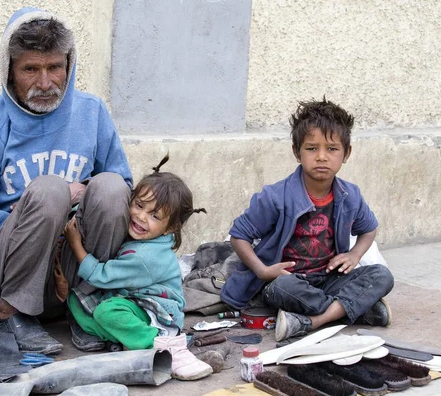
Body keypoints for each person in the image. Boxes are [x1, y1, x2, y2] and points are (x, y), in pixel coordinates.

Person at [0, 7, 132, 355]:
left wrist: (82, 203)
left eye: (54, 67)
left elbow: (124, 189)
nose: (45, 82)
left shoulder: (91, 112)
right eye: (30, 69)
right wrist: (48, 206)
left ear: (69, 65)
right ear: (9, 71)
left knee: (112, 187)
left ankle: (86, 309)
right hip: (4, 275)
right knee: (51, 189)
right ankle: (11, 315)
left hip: (71, 270)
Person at [220, 97, 394, 342]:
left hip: (329, 279)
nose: (322, 156)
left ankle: (313, 321)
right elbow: (239, 235)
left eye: (332, 149)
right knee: (283, 288)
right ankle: (350, 310)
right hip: (287, 282)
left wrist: (354, 255)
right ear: (297, 152)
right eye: (312, 148)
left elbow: (369, 229)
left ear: (346, 153)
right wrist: (263, 271)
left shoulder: (350, 195)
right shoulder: (275, 196)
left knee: (381, 275)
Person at [63, 154, 213, 381]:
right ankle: (126, 339)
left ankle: (163, 347)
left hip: (157, 314)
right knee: (76, 301)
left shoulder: (145, 256)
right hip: (134, 301)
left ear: (169, 227)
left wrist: (75, 244)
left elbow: (102, 277)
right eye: (139, 205)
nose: (141, 217)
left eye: (154, 216)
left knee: (106, 311)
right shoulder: (144, 237)